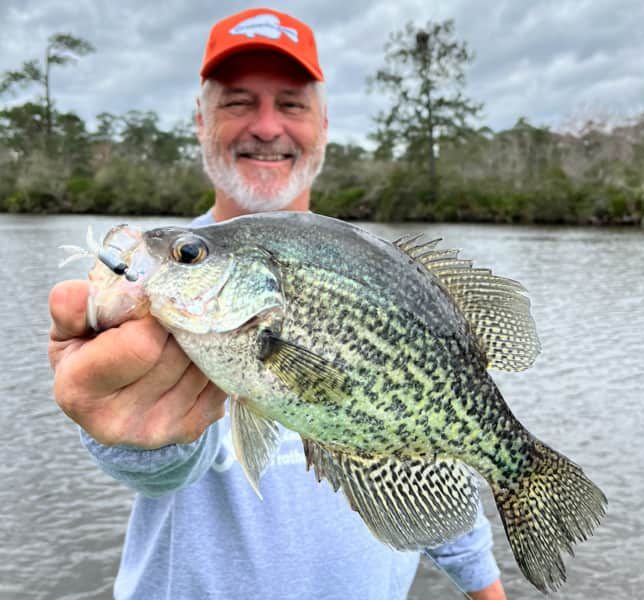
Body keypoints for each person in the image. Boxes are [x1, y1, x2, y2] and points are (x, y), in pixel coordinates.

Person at [48, 8, 506, 600]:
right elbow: (161, 460)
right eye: (238, 102)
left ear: (324, 123)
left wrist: (486, 585)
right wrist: (131, 435)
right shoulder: (161, 290)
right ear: (200, 122)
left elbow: (438, 444)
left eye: (290, 103)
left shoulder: (388, 275)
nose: (266, 126)